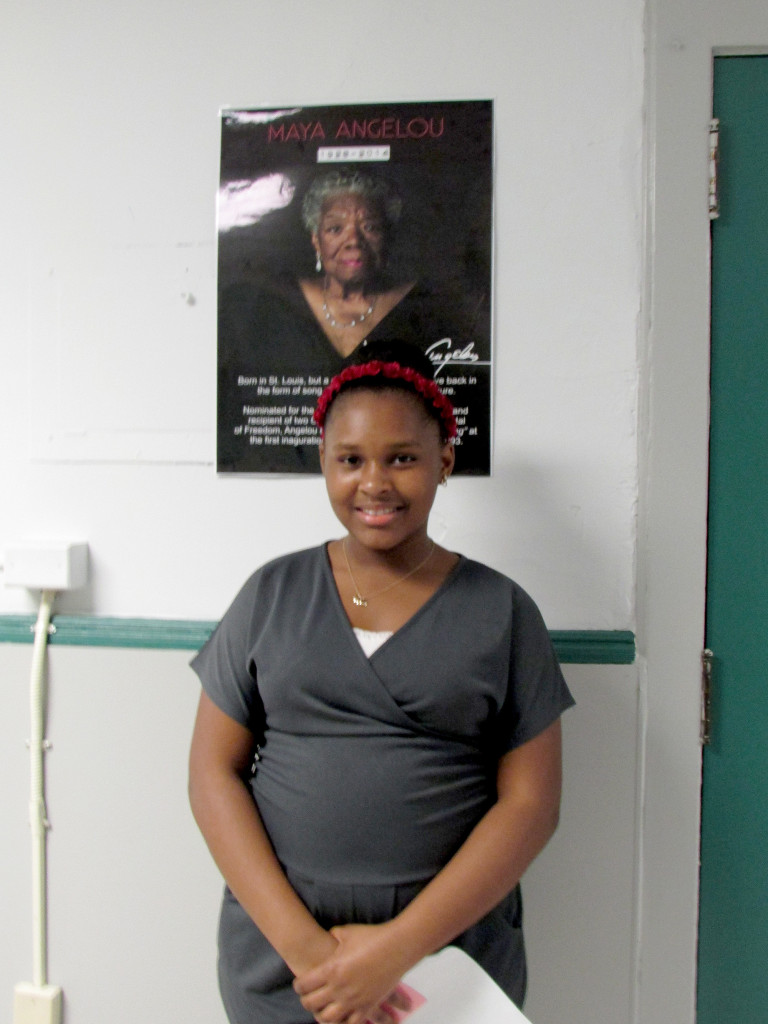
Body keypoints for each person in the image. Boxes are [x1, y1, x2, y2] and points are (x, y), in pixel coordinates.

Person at [190, 339, 574, 1024]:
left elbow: (531, 806)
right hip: (285, 966)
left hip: (447, 963)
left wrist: (393, 953)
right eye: (351, 460)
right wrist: (312, 955)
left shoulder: (503, 613)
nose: (374, 483)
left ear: (444, 462)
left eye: (402, 457)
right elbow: (212, 776)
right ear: (324, 465)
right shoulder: (269, 596)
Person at [217, 171, 491, 475]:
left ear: (386, 237)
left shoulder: (429, 309)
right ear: (316, 240)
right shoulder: (266, 306)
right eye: (336, 228)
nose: (353, 241)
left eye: (369, 227)